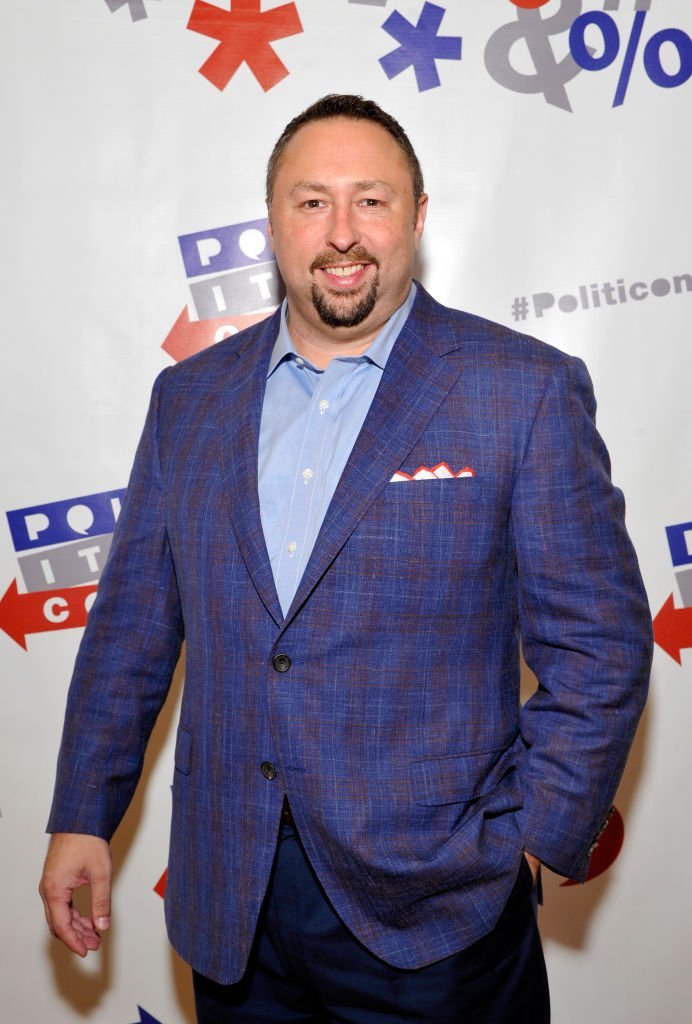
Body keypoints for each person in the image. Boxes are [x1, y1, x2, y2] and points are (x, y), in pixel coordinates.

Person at [40, 95, 652, 1023]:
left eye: (371, 201)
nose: (342, 234)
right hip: (228, 901)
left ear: (417, 215)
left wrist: (523, 841)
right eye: (311, 202)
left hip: (438, 912)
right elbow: (130, 633)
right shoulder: (187, 402)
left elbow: (601, 643)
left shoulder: (520, 390)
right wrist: (84, 813)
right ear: (272, 223)